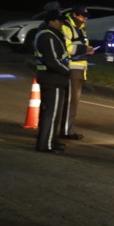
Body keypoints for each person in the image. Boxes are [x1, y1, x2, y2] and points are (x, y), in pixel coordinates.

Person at [34, 9, 70, 154]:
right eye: (59, 21)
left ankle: (50, 141)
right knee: (51, 113)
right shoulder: (48, 37)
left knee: (51, 113)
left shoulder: (48, 35)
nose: (61, 24)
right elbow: (53, 61)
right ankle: (46, 144)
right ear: (51, 21)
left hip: (50, 77)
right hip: (52, 78)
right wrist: (68, 71)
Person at [60, 4, 95, 140]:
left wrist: (88, 50)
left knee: (73, 102)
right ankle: (66, 132)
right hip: (72, 68)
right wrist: (85, 49)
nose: (84, 19)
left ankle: (68, 130)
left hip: (80, 69)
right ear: (74, 14)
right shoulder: (67, 27)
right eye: (82, 16)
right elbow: (67, 48)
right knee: (71, 102)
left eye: (86, 16)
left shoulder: (81, 28)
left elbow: (80, 46)